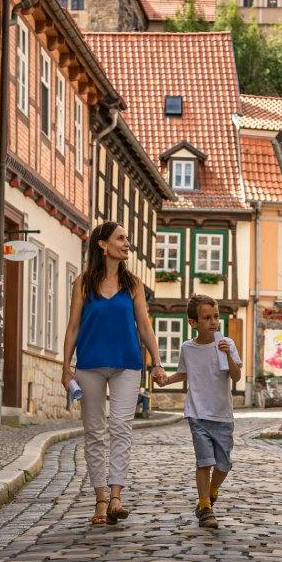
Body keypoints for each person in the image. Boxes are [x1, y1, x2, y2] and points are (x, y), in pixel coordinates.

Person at [61, 222, 169, 526]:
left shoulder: (133, 284)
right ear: (103, 245)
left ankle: (116, 497)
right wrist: (66, 367)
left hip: (127, 363)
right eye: (120, 238)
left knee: (121, 427)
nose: (127, 243)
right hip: (89, 365)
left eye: (127, 239)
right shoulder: (83, 283)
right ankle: (100, 500)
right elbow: (73, 326)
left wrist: (157, 361)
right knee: (94, 432)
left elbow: (144, 325)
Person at [161, 294, 242, 530]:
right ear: (193, 322)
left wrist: (228, 355)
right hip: (197, 413)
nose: (213, 322)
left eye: (216, 317)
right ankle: (205, 507)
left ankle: (212, 491)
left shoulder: (226, 344)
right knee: (204, 462)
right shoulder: (188, 348)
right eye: (207, 318)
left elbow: (236, 376)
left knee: (223, 465)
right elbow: (184, 372)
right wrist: (166, 380)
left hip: (222, 414)